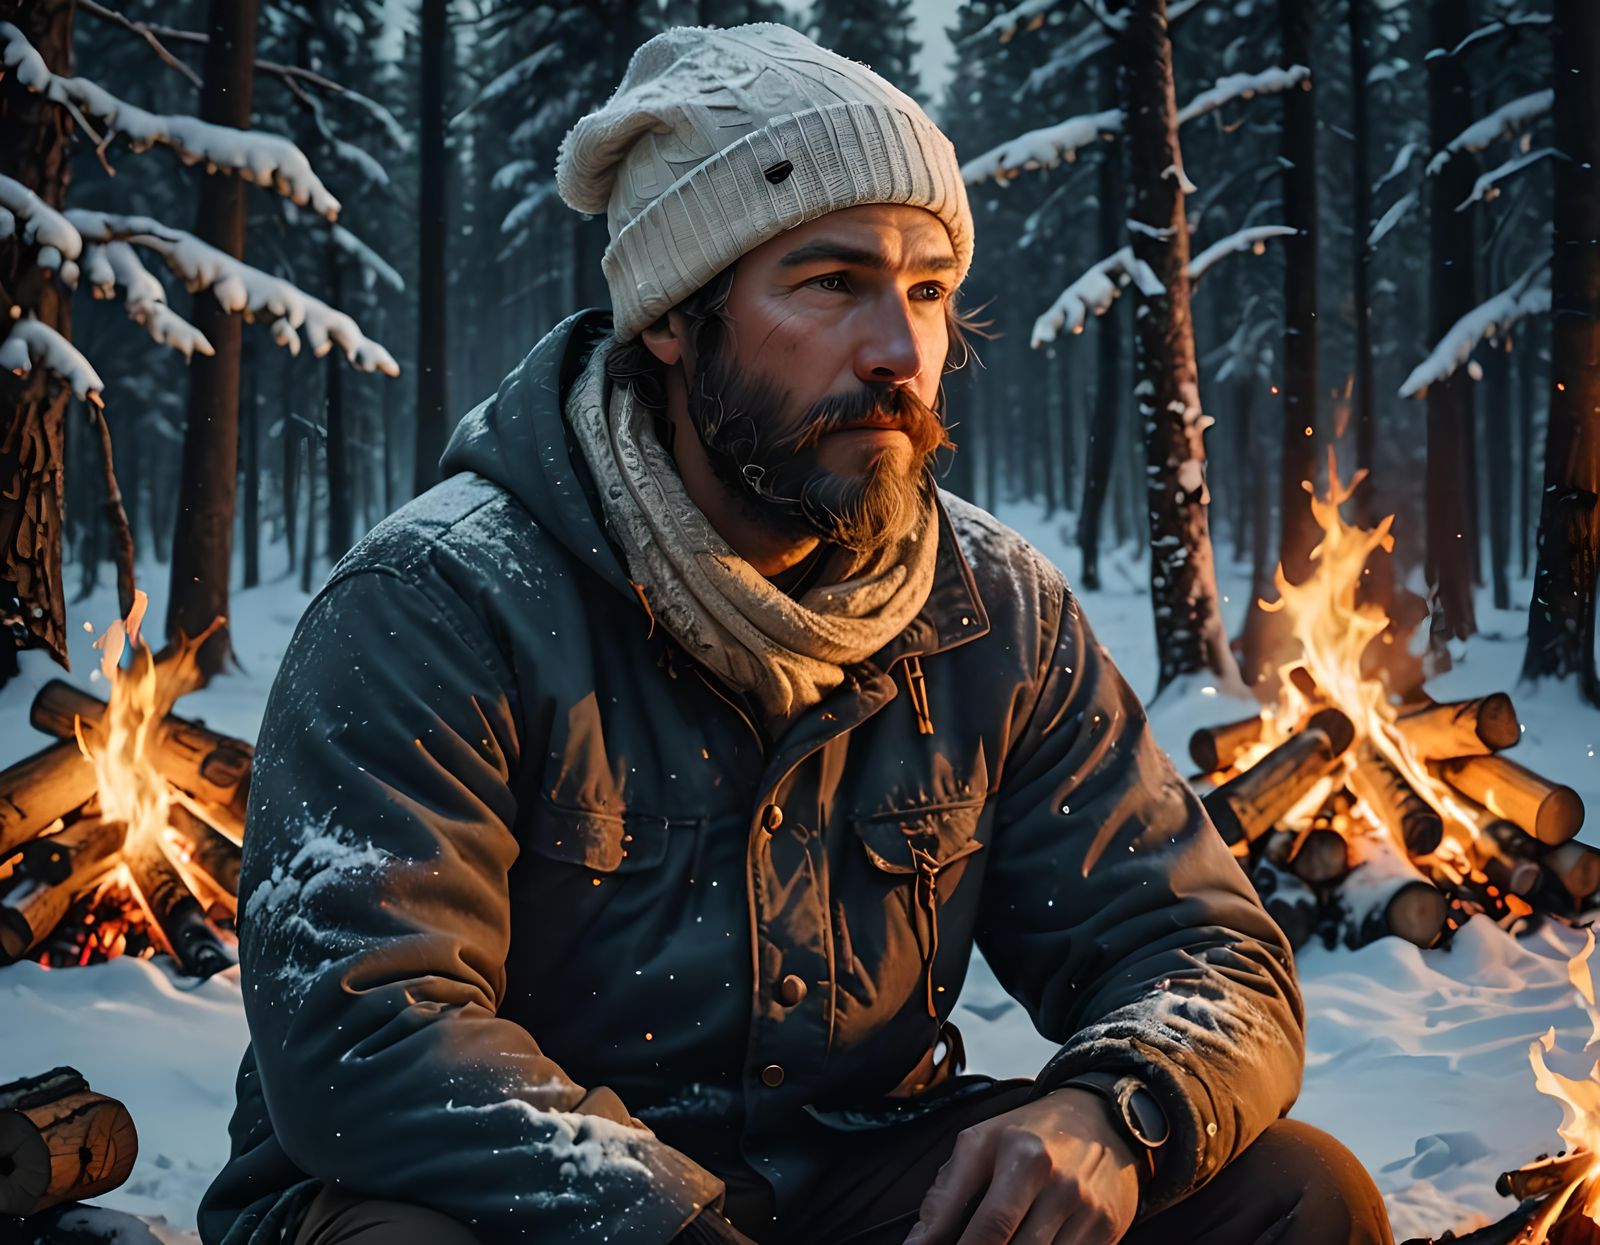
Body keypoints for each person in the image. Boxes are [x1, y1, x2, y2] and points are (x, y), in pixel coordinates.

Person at [199, 23, 1392, 1245]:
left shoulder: (991, 607)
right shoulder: (438, 599)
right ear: (672, 319)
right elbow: (366, 1030)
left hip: (847, 1181)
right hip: (508, 1199)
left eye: (926, 289)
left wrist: (1115, 1109)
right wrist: (664, 1219)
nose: (900, 352)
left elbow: (1199, 947)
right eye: (831, 284)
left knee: (1293, 1196)